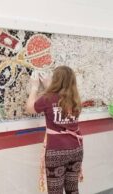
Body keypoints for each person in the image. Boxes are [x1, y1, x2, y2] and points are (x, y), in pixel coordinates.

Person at [26, 66, 84, 194]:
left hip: (56, 151)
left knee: (55, 191)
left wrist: (35, 87)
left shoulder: (48, 98)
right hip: (76, 149)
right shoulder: (76, 98)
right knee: (73, 189)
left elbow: (30, 109)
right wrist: (49, 87)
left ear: (55, 80)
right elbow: (59, 102)